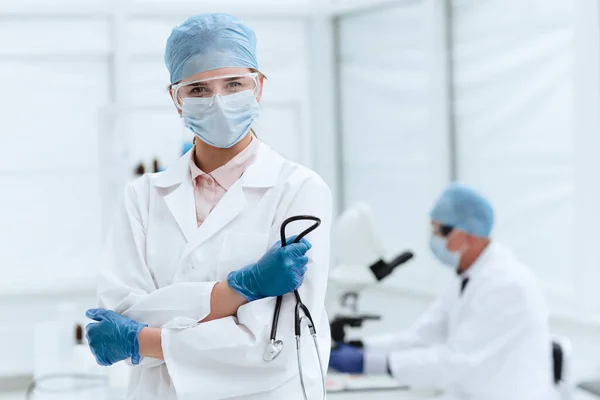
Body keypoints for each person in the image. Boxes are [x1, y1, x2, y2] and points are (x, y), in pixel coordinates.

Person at [85, 14, 332, 400]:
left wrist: (140, 342)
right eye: (198, 89)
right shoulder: (142, 197)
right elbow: (123, 314)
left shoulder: (299, 190)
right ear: (175, 99)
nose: (218, 101)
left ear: (259, 87)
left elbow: (270, 347)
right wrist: (238, 293)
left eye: (234, 84)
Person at [329, 183, 553, 400]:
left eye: (441, 231)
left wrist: (369, 363)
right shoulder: (465, 276)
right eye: (433, 229)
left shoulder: (507, 284)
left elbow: (457, 360)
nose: (434, 238)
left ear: (470, 235)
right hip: (468, 392)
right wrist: (363, 347)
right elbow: (423, 336)